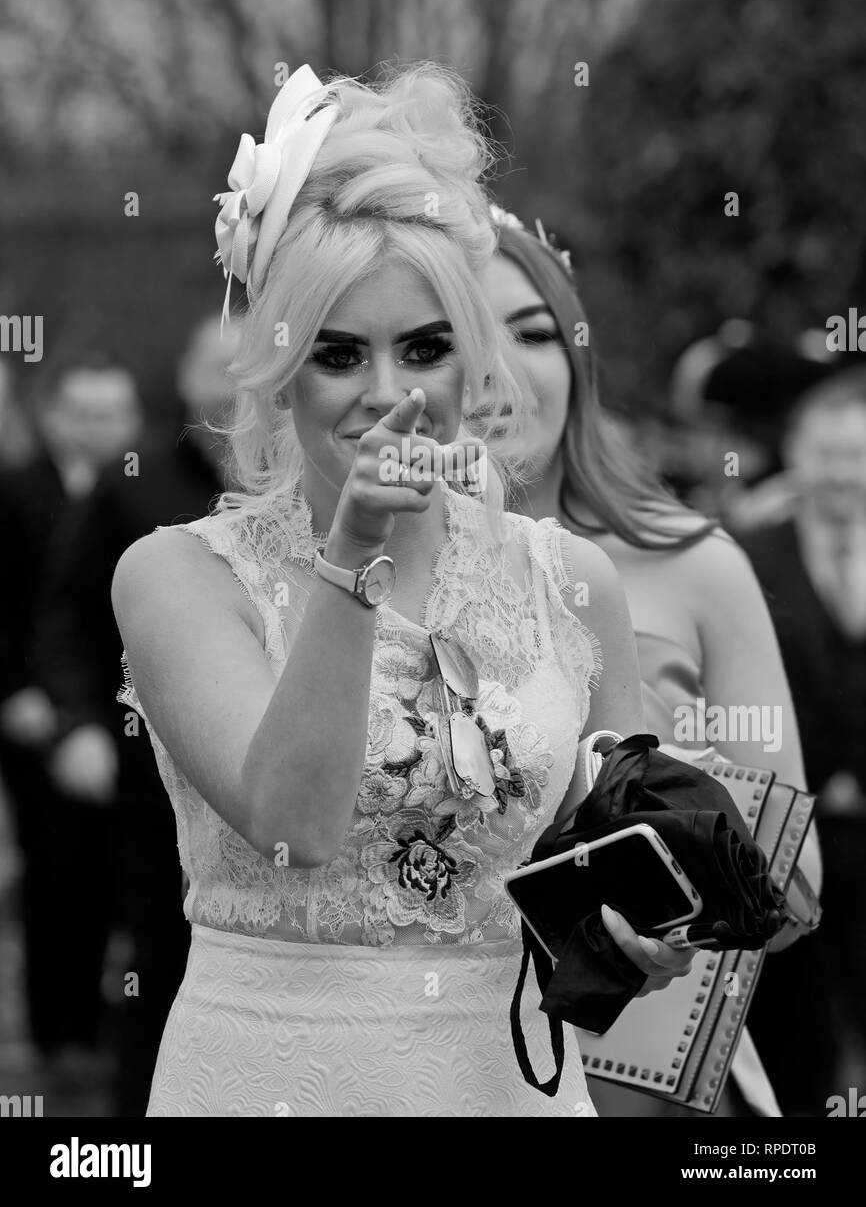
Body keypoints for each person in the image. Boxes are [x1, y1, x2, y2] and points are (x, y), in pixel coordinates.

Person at [111, 63, 692, 1117]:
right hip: (268, 1079)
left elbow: (615, 860)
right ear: (282, 372)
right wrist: (352, 557)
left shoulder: (570, 579)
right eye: (339, 354)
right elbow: (294, 828)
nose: (386, 394)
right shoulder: (179, 576)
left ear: (472, 361)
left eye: (421, 347)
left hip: (511, 1084)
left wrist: (640, 937)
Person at [478, 205, 822, 1117]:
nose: (503, 370)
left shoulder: (697, 564)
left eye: (534, 331)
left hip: (649, 1082)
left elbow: (794, 884)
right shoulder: (357, 594)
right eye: (459, 336)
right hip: (438, 1064)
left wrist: (674, 824)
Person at [33, 314, 239, 1115]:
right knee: (159, 958)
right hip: (154, 782)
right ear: (186, 379)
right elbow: (67, 622)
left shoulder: (308, 490)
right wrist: (76, 723)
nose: (232, 387)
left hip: (275, 783)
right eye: (217, 369)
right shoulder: (132, 485)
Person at [0, 353, 141, 1073]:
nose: (99, 429)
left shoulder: (143, 496)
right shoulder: (13, 491)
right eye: (83, 413)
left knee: (121, 878)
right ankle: (59, 1038)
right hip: (32, 718)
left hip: (124, 720)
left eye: (112, 414)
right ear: (52, 416)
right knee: (55, 874)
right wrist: (17, 694)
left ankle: (113, 1036)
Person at [738, 367, 866, 1110]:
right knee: (796, 1040)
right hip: (795, 836)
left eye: (859, 455)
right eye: (828, 454)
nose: (844, 474)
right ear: (796, 453)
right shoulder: (749, 554)